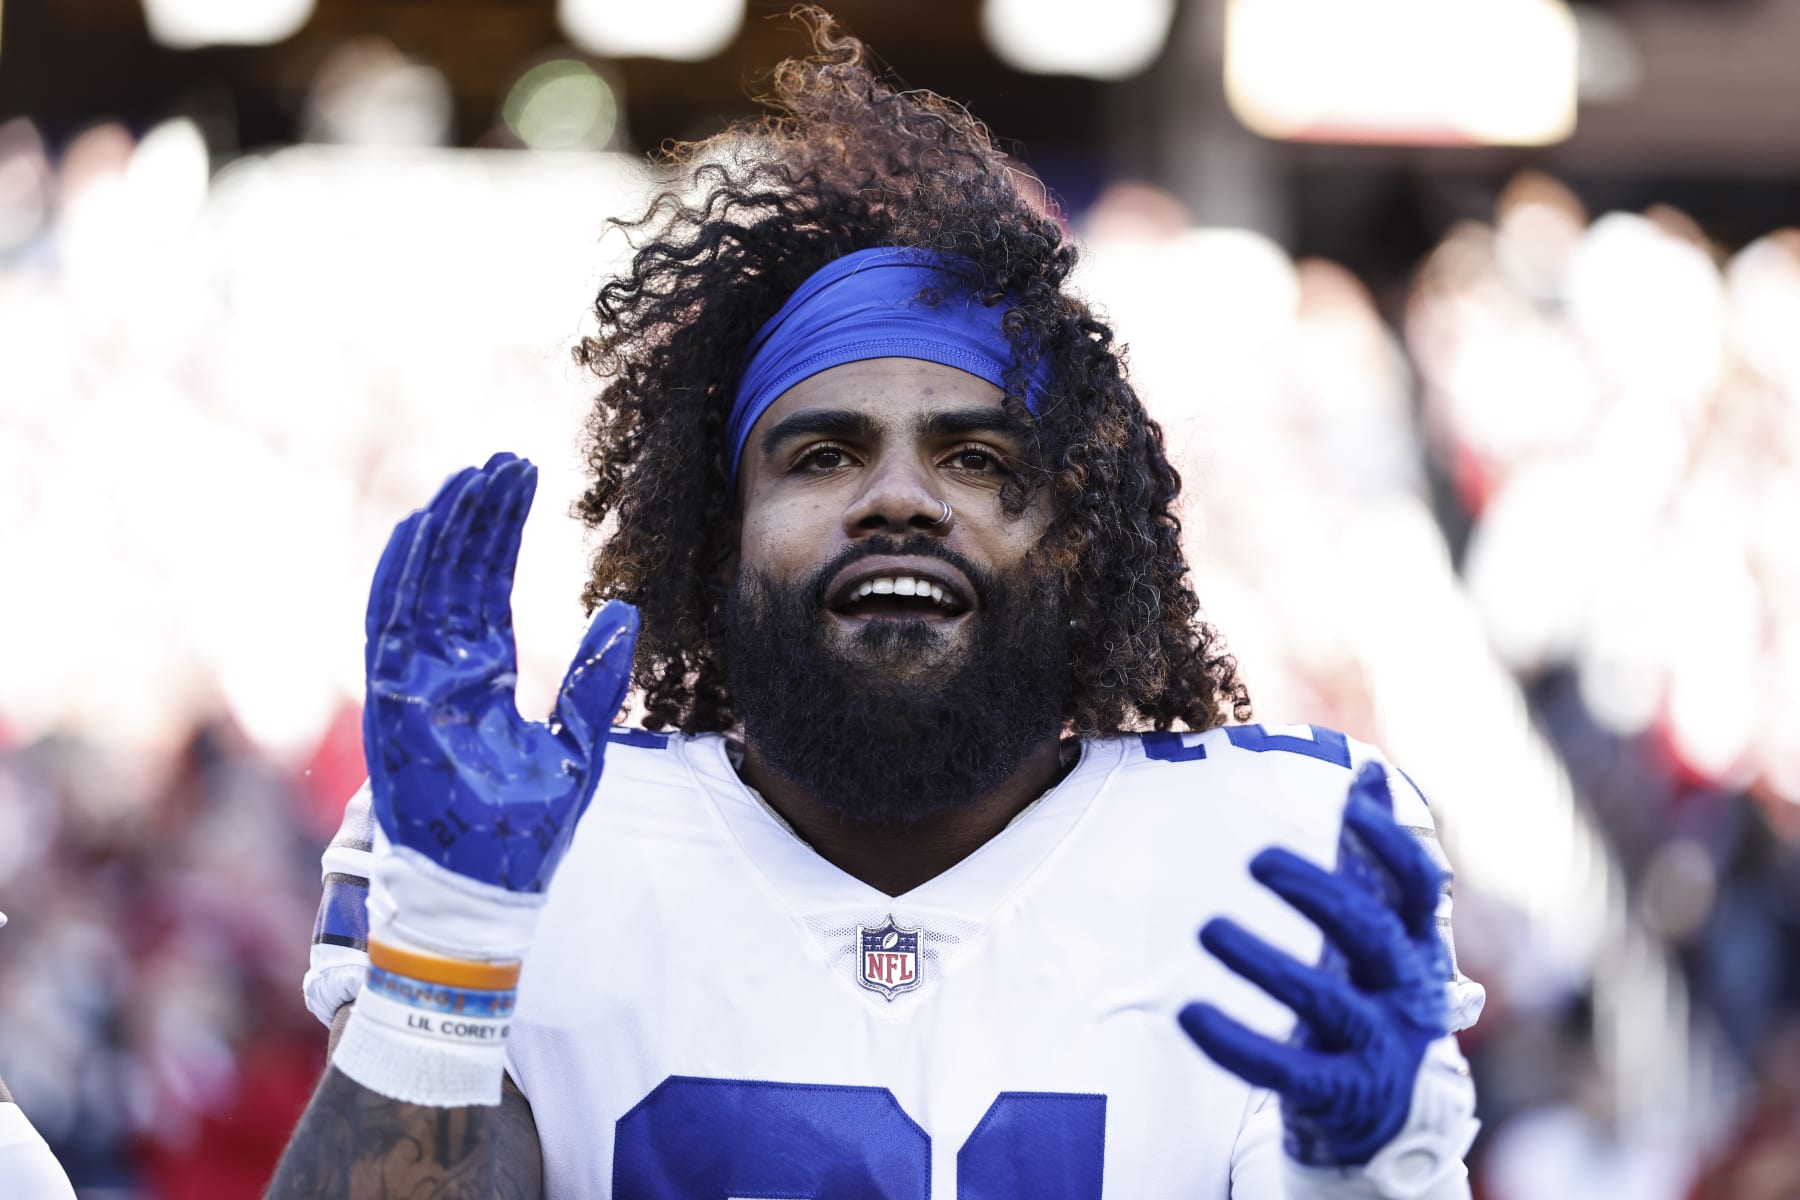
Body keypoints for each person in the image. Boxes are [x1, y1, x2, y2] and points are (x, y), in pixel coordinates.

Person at [267, 15, 1484, 1198]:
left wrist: (1362, 1180)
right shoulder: (548, 863)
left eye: (978, 460)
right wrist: (448, 956)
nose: (900, 498)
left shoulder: (1287, 850)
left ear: (1083, 541)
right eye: (822, 455)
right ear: (715, 539)